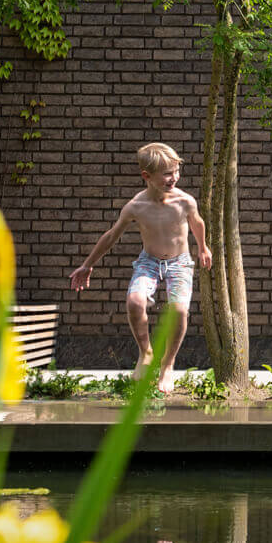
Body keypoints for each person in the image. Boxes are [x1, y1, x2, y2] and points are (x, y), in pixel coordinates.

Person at [69, 142, 212, 393]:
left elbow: (197, 223)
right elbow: (112, 236)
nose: (174, 178)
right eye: (167, 173)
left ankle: (168, 365)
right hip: (149, 261)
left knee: (178, 311)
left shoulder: (185, 201)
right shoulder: (135, 206)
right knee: (135, 301)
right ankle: (145, 353)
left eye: (176, 171)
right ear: (147, 176)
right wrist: (87, 265)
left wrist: (202, 247)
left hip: (179, 262)